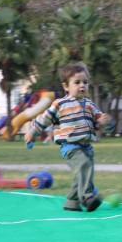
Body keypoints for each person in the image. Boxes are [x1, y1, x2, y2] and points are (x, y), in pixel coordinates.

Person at [24, 63, 115, 212]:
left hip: (87, 147)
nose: (82, 86)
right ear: (66, 86)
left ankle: (71, 203)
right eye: (77, 82)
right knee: (84, 166)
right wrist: (32, 131)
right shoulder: (60, 104)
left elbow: (101, 122)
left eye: (85, 82)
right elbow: (44, 118)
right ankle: (87, 197)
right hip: (70, 146)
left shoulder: (90, 105)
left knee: (82, 173)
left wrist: (107, 122)